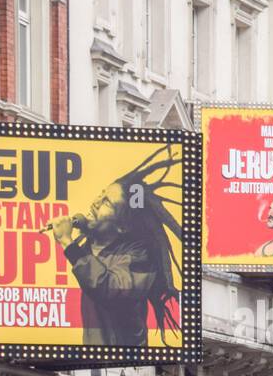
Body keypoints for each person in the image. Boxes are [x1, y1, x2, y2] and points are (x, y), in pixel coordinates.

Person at [47, 144, 185, 348]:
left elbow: (108, 287)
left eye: (107, 203)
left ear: (122, 226)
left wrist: (68, 243)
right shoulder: (94, 247)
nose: (95, 202)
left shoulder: (141, 259)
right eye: (101, 194)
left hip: (123, 362)